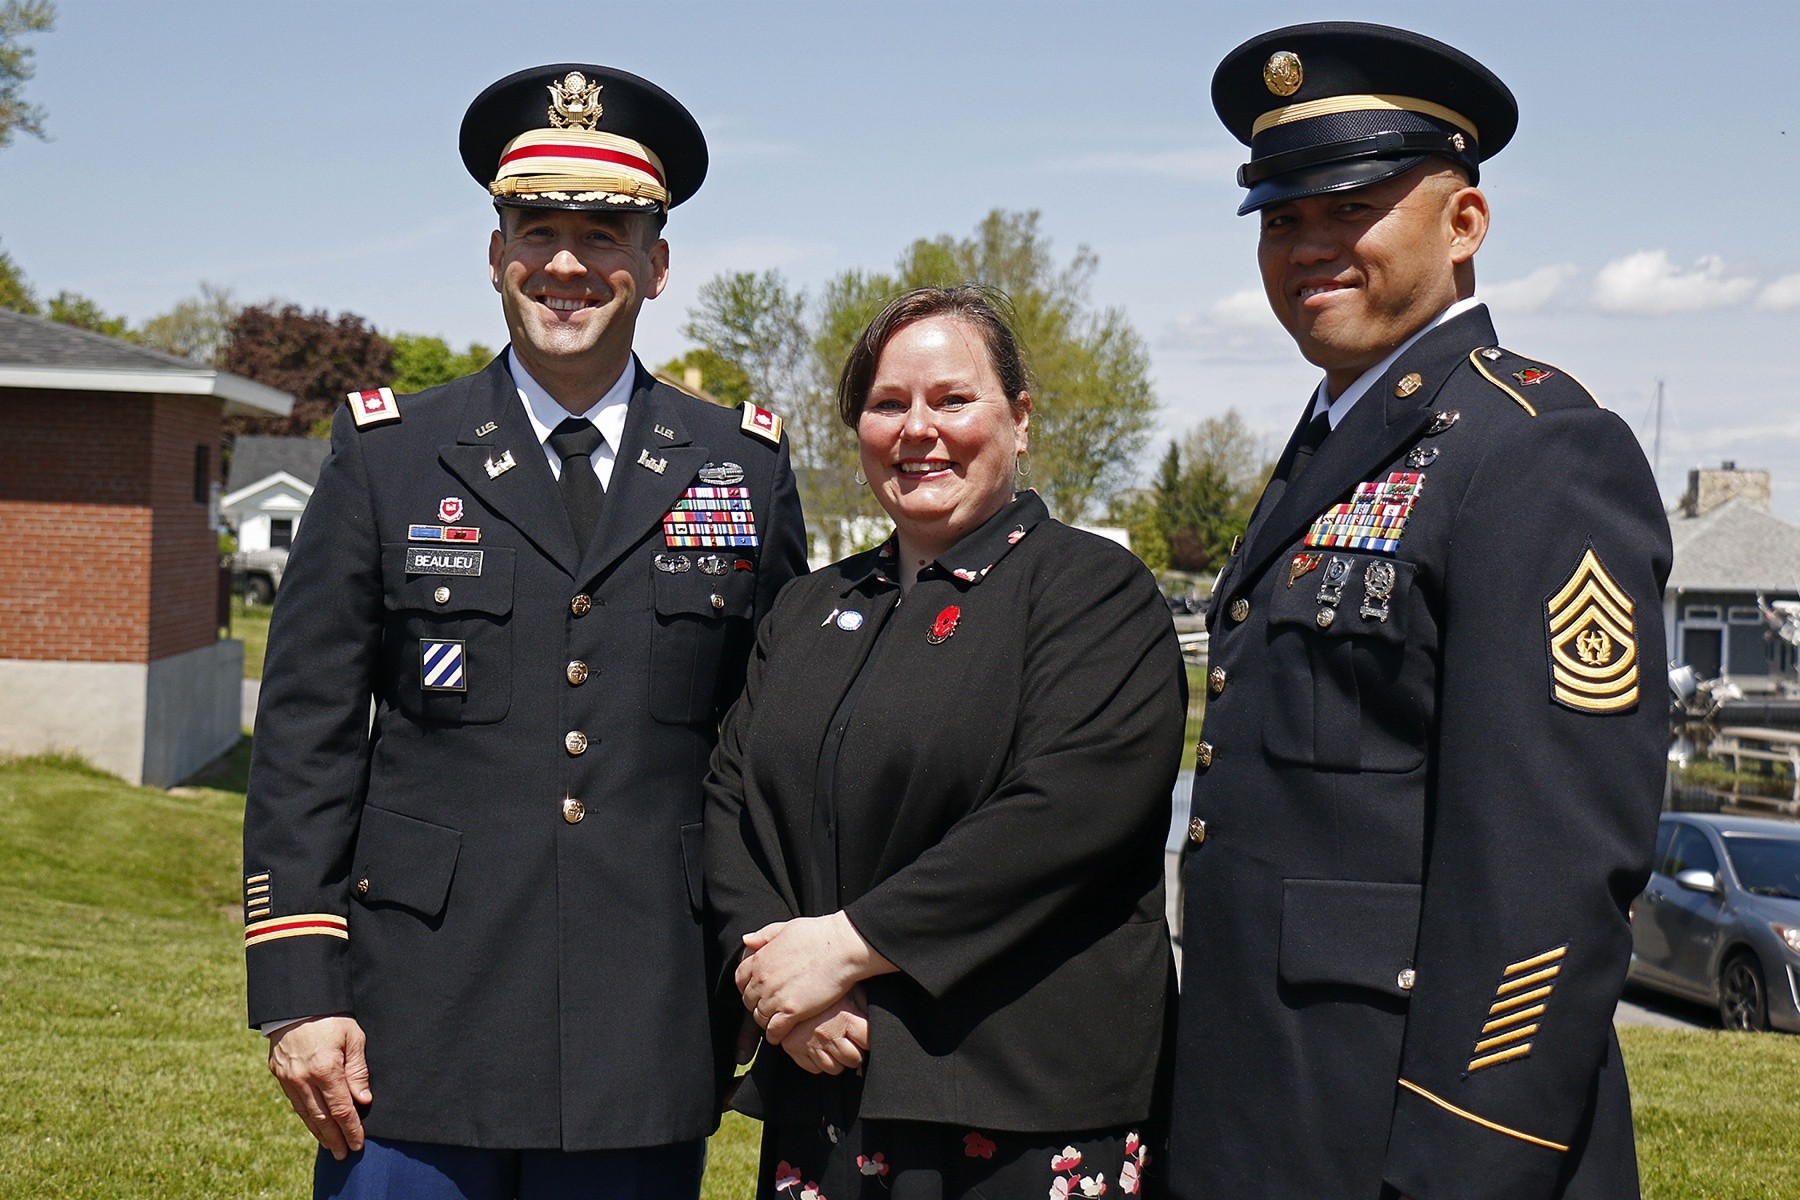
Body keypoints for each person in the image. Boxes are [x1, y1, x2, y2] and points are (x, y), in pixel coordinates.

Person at [241, 62, 807, 1199]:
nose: (566, 262)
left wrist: (774, 954)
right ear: (493, 254)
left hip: (642, 1024)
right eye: (534, 228)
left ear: (654, 263)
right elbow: (306, 734)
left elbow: (774, 742)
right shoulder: (389, 455)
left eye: (604, 232)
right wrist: (302, 989)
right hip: (414, 1021)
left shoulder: (742, 468)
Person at [1166, 22, 1673, 1200]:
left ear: (1464, 226)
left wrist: (1469, 1155)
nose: (1309, 247)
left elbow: (1552, 869)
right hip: (1273, 1113)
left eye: (1352, 207)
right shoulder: (1337, 440)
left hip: (1414, 1137)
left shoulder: (1536, 450)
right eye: (1283, 218)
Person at [706, 287, 1185, 1200]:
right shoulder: (812, 607)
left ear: (1020, 417)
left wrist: (844, 949)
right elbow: (731, 798)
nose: (917, 429)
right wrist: (772, 975)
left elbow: (1069, 814)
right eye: (888, 405)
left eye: (952, 400)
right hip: (829, 1086)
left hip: (1022, 1108)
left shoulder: (1092, 592)